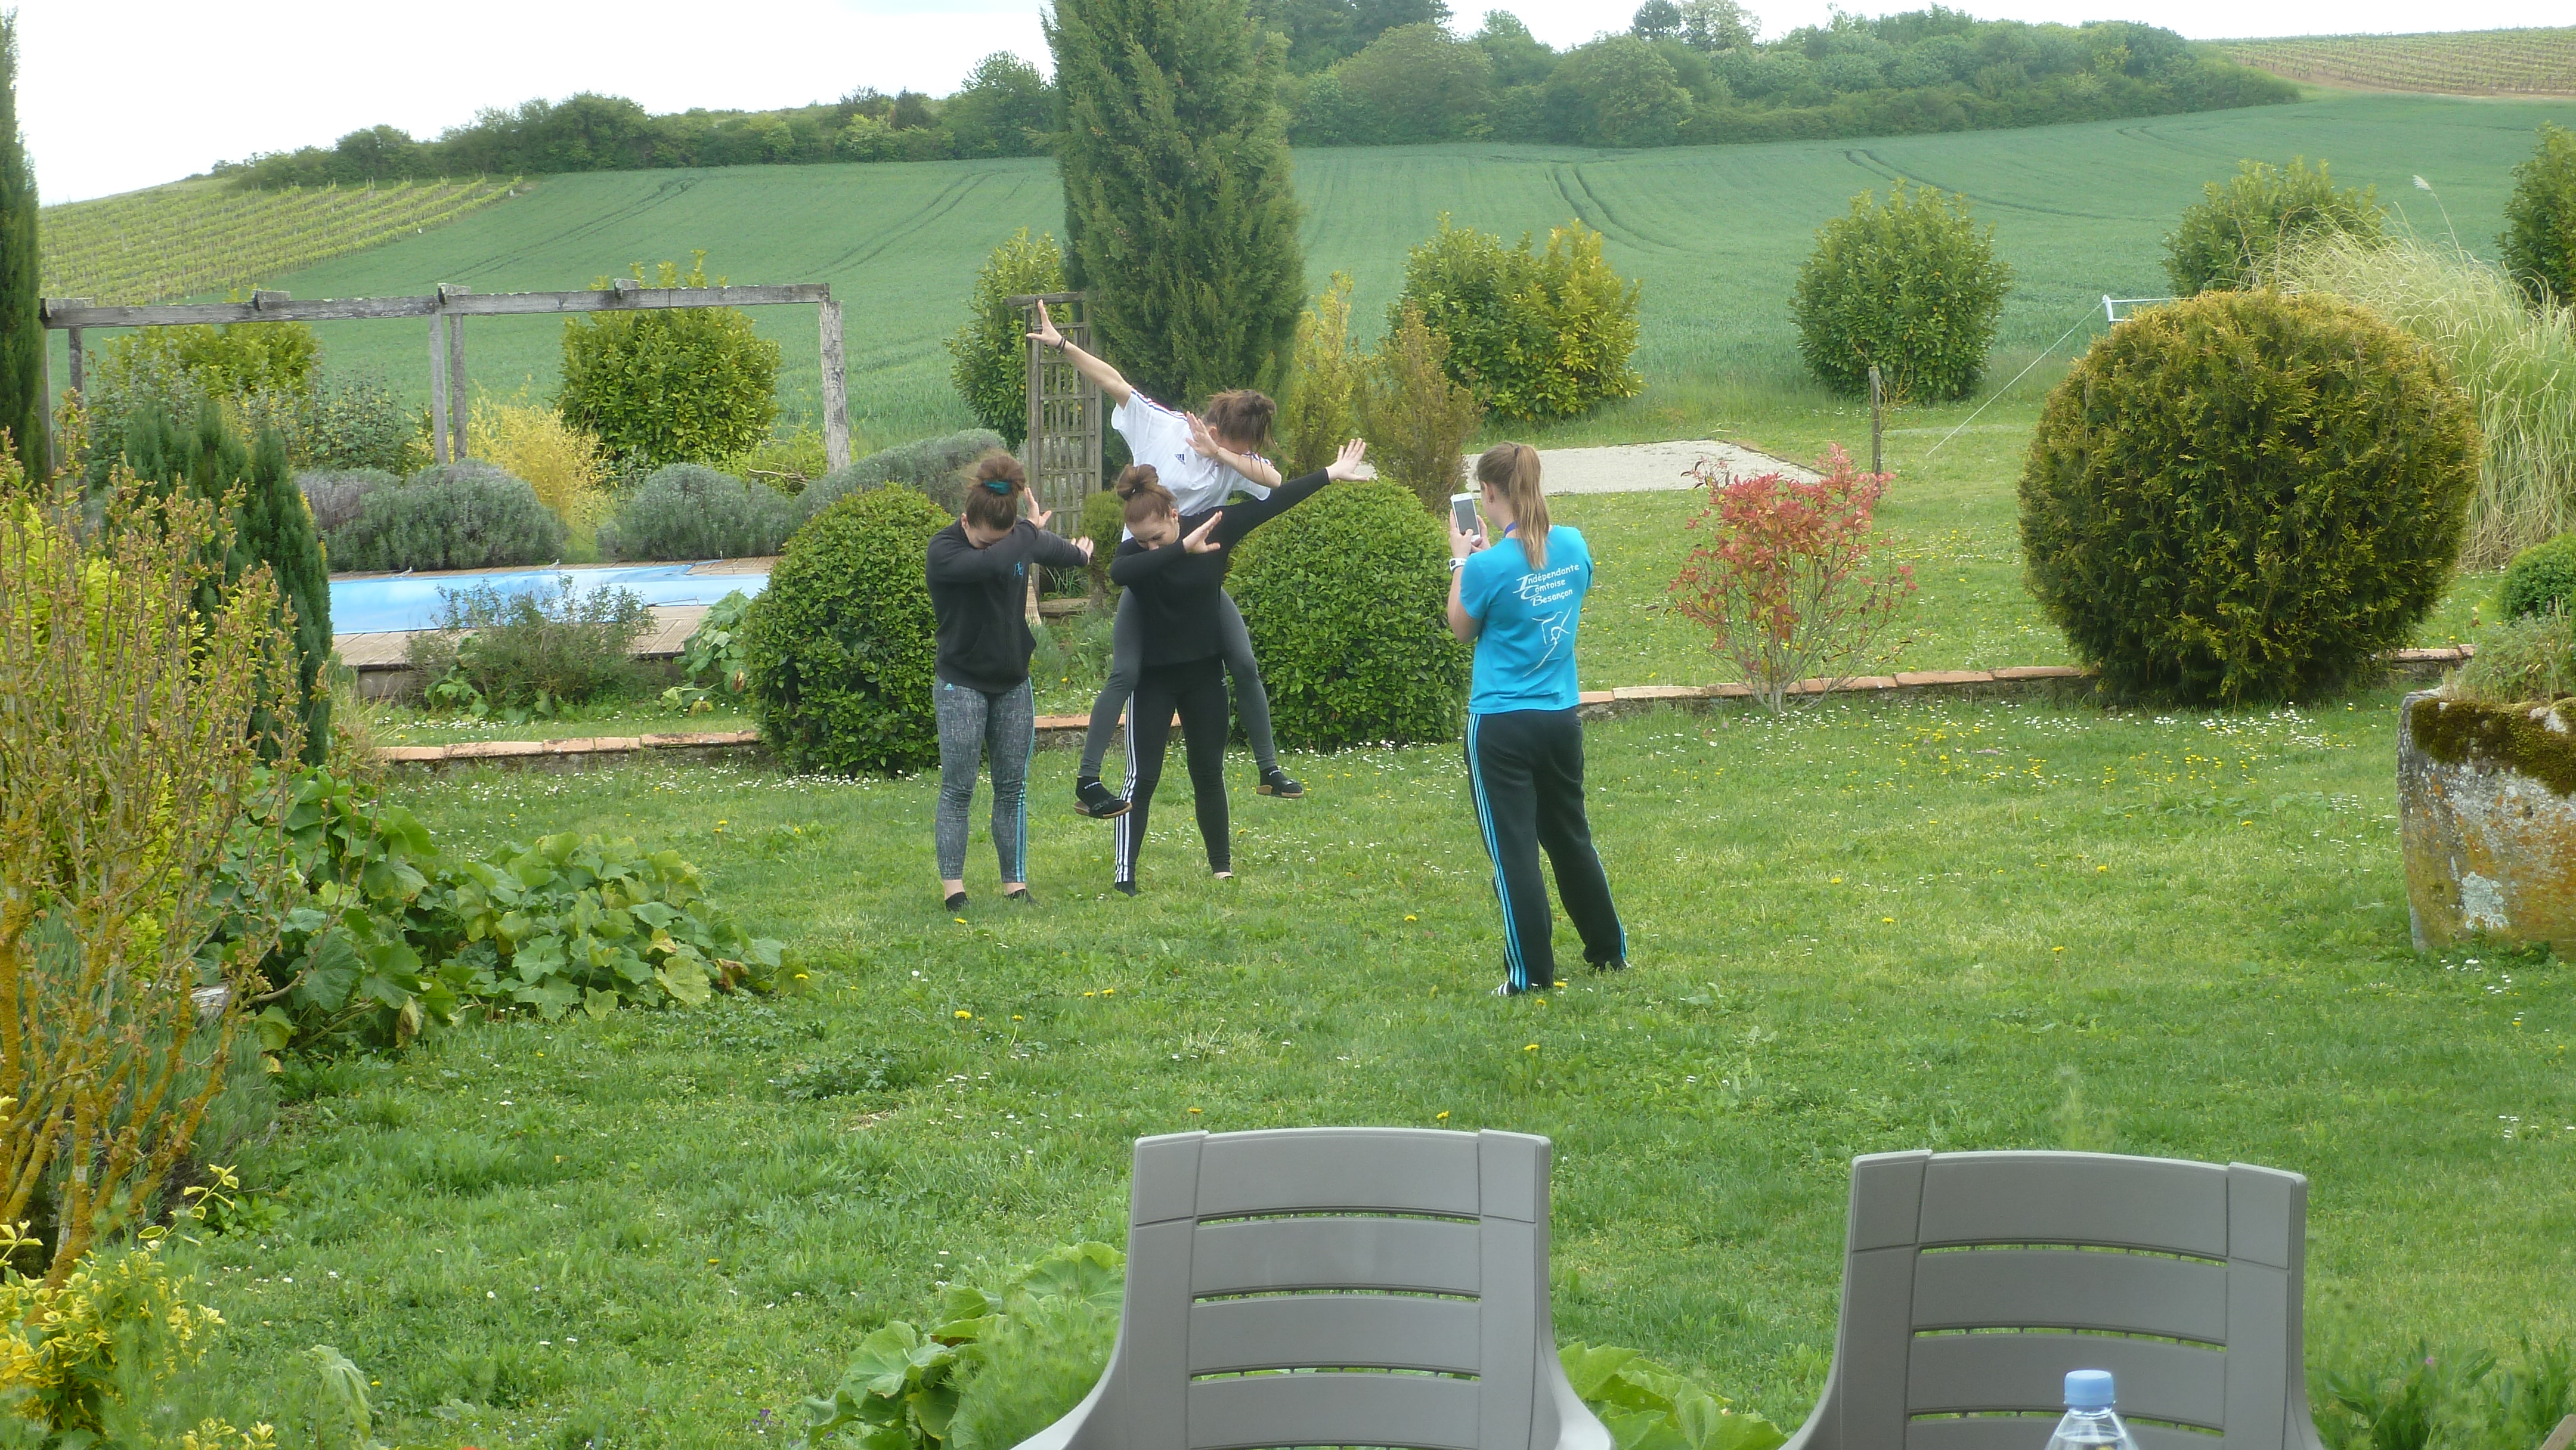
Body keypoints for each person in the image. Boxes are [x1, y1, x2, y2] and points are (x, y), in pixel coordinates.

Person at [1023, 299, 1307, 817]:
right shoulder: (1165, 425)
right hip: (1149, 568)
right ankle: (1089, 781)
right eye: (1227, 442)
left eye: (1242, 449)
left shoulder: (1233, 460)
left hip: (1197, 575)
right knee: (1125, 674)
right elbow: (1113, 381)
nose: (1236, 453)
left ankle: (1269, 769)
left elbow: (1274, 481)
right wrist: (1063, 344)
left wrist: (1223, 456)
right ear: (1213, 424)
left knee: (1244, 662)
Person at [1106, 438, 1368, 896]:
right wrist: (1178, 549)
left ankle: (1221, 868)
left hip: (1204, 674)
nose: (1149, 548)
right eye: (1141, 541)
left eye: (1157, 538)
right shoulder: (1134, 557)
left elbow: (1274, 503)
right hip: (1153, 681)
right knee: (1142, 779)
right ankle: (1124, 875)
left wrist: (1329, 474)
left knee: (1208, 772)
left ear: (1175, 515)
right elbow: (1119, 575)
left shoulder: (1215, 527)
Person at [1447, 442, 1626, 994]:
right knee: (1570, 837)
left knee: (1514, 853)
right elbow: (1568, 589)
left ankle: (1530, 977)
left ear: (1489, 493)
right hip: (1559, 717)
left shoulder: (1484, 567)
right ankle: (1608, 952)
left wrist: (1460, 560)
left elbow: (1460, 628)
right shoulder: (1573, 544)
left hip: (1501, 724)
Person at [924, 452, 1094, 912]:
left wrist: (1079, 554)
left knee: (1012, 788)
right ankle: (954, 891)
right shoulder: (944, 551)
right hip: (962, 684)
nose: (991, 548)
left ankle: (1015, 885)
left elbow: (1051, 551)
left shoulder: (1019, 537)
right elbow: (992, 563)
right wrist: (1028, 533)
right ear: (965, 521)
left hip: (1013, 682)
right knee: (959, 788)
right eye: (983, 541)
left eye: (1001, 539)